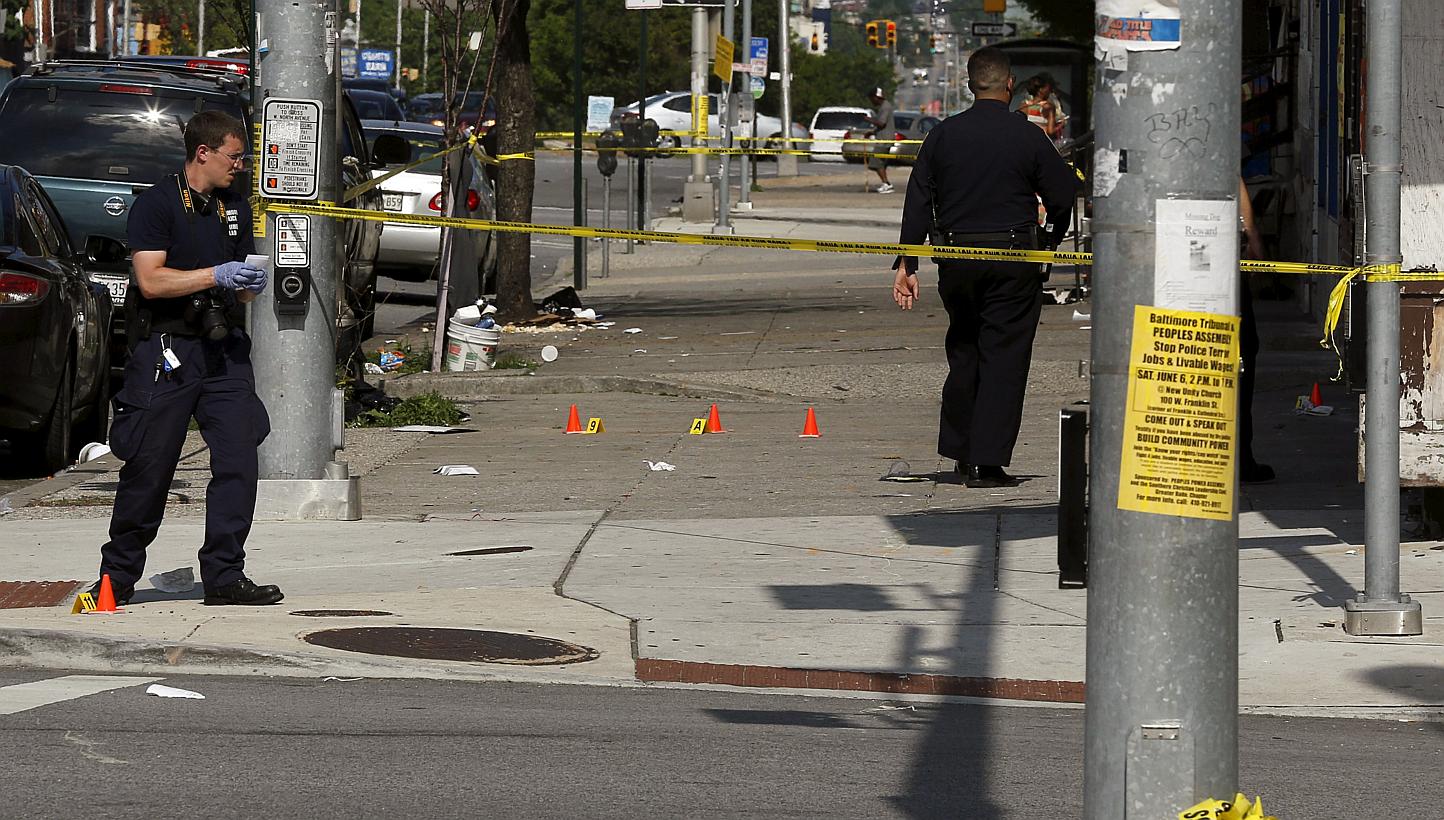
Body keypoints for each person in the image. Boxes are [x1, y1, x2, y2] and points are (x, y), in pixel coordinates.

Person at [92, 110, 284, 606]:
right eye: (234, 156)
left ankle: (224, 575)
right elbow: (152, 281)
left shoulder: (235, 207)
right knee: (150, 466)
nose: (240, 166)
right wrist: (213, 275)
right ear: (204, 152)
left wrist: (247, 284)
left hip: (223, 351)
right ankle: (115, 579)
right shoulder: (156, 205)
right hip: (168, 347)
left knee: (240, 456)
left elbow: (238, 284)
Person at [892, 47, 1078, 488]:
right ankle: (987, 462)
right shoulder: (1027, 135)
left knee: (965, 352)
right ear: (1010, 84)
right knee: (1004, 358)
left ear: (970, 85)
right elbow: (1064, 194)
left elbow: (918, 198)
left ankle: (960, 450)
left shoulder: (943, 135)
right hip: (1013, 261)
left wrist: (908, 261)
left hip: (957, 260)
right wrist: (1049, 240)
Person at [1238, 178, 1275, 483]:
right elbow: (1234, 180)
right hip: (1220, 267)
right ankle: (1239, 459)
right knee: (1241, 354)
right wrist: (1253, 238)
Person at [865, 87, 896, 194]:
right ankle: (886, 183)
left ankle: (887, 184)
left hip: (884, 140)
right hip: (882, 138)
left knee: (876, 162)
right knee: (880, 162)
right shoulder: (883, 106)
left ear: (876, 97)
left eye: (871, 99)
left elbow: (882, 123)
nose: (871, 101)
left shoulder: (885, 107)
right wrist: (872, 132)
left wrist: (869, 119)